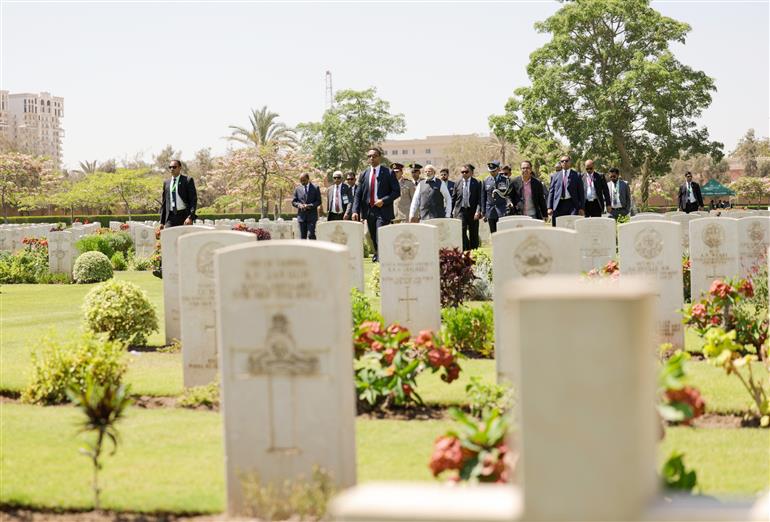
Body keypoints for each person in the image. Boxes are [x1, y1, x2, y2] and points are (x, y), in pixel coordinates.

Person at [351, 147, 400, 261]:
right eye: (369, 156)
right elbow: (358, 194)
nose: (371, 158)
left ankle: (381, 257)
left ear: (379, 157)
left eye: (374, 156)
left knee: (380, 234)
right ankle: (378, 253)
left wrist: (383, 200)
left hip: (383, 209)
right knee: (373, 236)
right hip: (369, 211)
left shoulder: (388, 172)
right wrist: (355, 211)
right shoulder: (364, 174)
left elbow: (396, 192)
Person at [547, 155, 585, 226]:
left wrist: (582, 208)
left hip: (572, 204)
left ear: (570, 162)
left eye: (566, 161)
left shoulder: (577, 175)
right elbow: (551, 192)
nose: (564, 162)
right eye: (562, 161)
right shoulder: (555, 176)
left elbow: (581, 193)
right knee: (557, 226)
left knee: (572, 225)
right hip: (558, 204)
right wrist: (549, 207)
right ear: (560, 163)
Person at [452, 164, 482, 250]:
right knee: (461, 231)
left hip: (473, 211)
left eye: (466, 172)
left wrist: (478, 211)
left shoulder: (477, 183)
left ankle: (474, 250)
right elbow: (453, 198)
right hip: (460, 211)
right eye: (462, 172)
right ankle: (465, 249)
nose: (464, 174)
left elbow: (480, 199)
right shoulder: (457, 183)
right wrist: (451, 211)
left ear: (471, 173)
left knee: (474, 232)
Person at [160, 159, 197, 229]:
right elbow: (164, 203)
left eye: (174, 167)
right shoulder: (166, 183)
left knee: (184, 239)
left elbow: (193, 200)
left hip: (184, 216)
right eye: (170, 167)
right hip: (170, 217)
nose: (172, 169)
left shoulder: (187, 180)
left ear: (180, 168)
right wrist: (162, 222)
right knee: (169, 238)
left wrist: (190, 217)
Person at [480, 160, 511, 233]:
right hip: (490, 210)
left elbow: (507, 194)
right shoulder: (486, 181)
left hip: (501, 210)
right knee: (493, 232)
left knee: (502, 232)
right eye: (490, 171)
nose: (492, 173)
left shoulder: (505, 180)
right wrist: (483, 212)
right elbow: (483, 197)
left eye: (494, 171)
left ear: (498, 169)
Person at [292, 173, 321, 239]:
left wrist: (310, 205)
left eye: (304, 180)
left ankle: (313, 249)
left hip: (312, 217)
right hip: (302, 217)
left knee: (311, 235)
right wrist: (299, 205)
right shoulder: (297, 189)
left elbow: (319, 201)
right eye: (301, 180)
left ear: (308, 179)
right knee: (302, 237)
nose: (302, 182)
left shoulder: (315, 188)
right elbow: (294, 202)